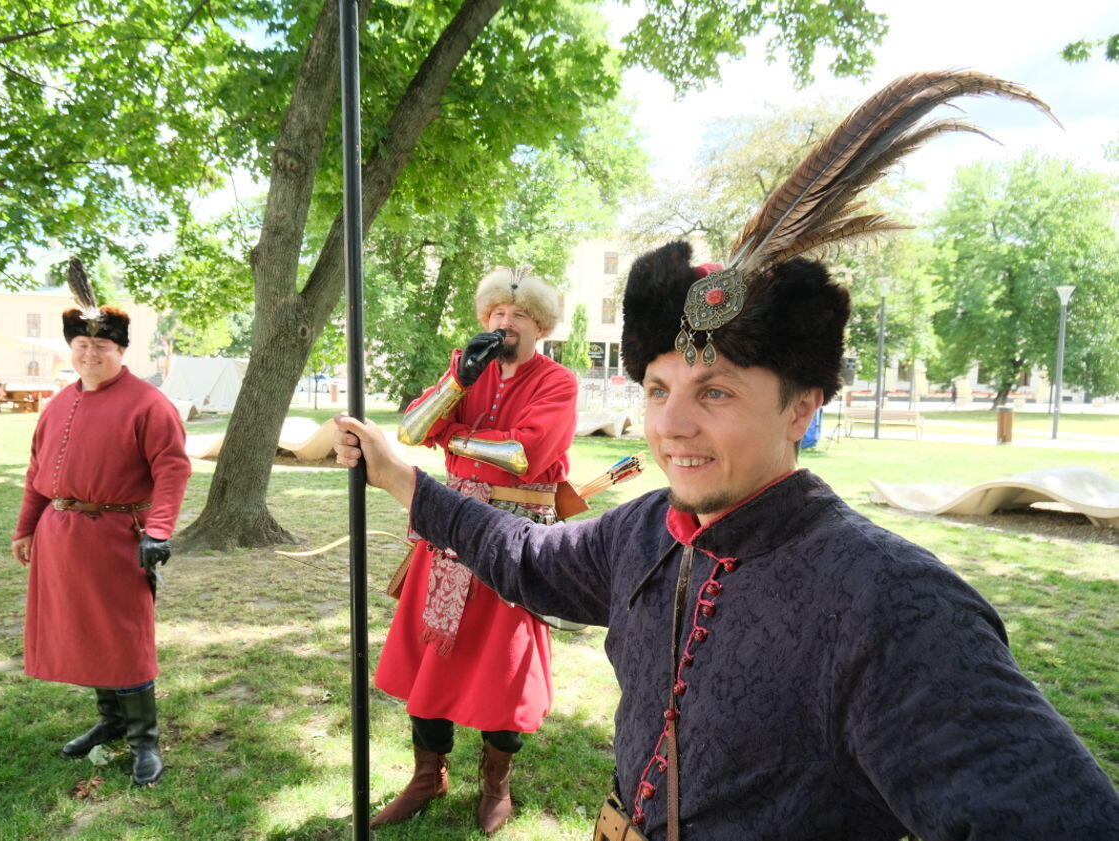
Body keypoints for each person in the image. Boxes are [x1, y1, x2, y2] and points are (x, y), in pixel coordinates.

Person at [336, 71, 1119, 840]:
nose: (671, 426)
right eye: (658, 388)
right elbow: (526, 555)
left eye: (715, 391)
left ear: (801, 407)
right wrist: (403, 478)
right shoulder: (644, 529)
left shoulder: (893, 603)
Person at [370, 266, 577, 834]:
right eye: (497, 314)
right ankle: (427, 776)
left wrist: (451, 435)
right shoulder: (466, 367)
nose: (505, 324)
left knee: (502, 663)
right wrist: (457, 383)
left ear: (540, 327)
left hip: (514, 533)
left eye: (519, 316)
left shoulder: (557, 382)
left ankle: (495, 783)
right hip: (446, 530)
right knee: (430, 653)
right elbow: (412, 431)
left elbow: (522, 455)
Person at [12, 259, 190, 786]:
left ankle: (144, 742)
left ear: (121, 351)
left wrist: (159, 530)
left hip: (117, 540)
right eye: (82, 346)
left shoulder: (149, 404)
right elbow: (37, 473)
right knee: (87, 634)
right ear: (71, 349)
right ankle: (111, 722)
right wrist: (26, 527)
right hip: (60, 539)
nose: (90, 354)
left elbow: (172, 470)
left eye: (102, 347)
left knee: (123, 637)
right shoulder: (58, 403)